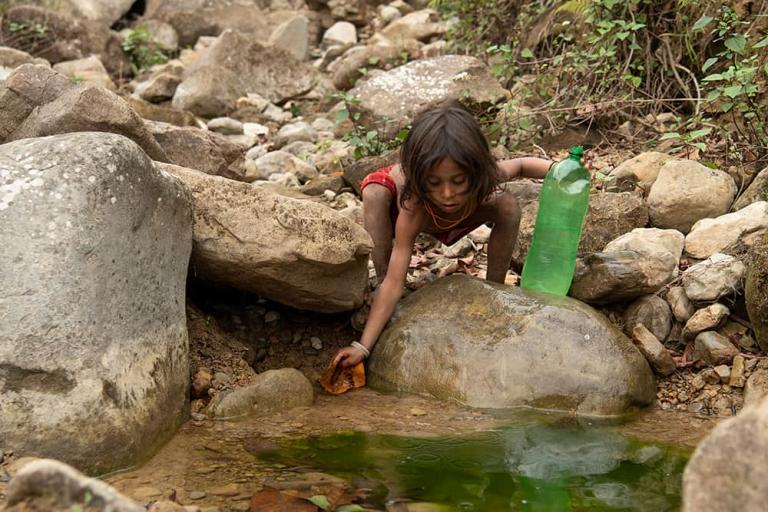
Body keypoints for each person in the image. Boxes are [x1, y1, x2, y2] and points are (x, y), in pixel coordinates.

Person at [333, 104, 553, 368]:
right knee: (375, 191)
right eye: (435, 183)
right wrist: (362, 347)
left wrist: (564, 168)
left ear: (475, 172)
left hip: (457, 212)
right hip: (406, 204)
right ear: (421, 179)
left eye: (458, 181)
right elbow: (394, 281)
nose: (448, 193)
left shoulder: (483, 176)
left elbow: (520, 165)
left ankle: (494, 288)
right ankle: (375, 286)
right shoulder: (412, 205)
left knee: (507, 204)